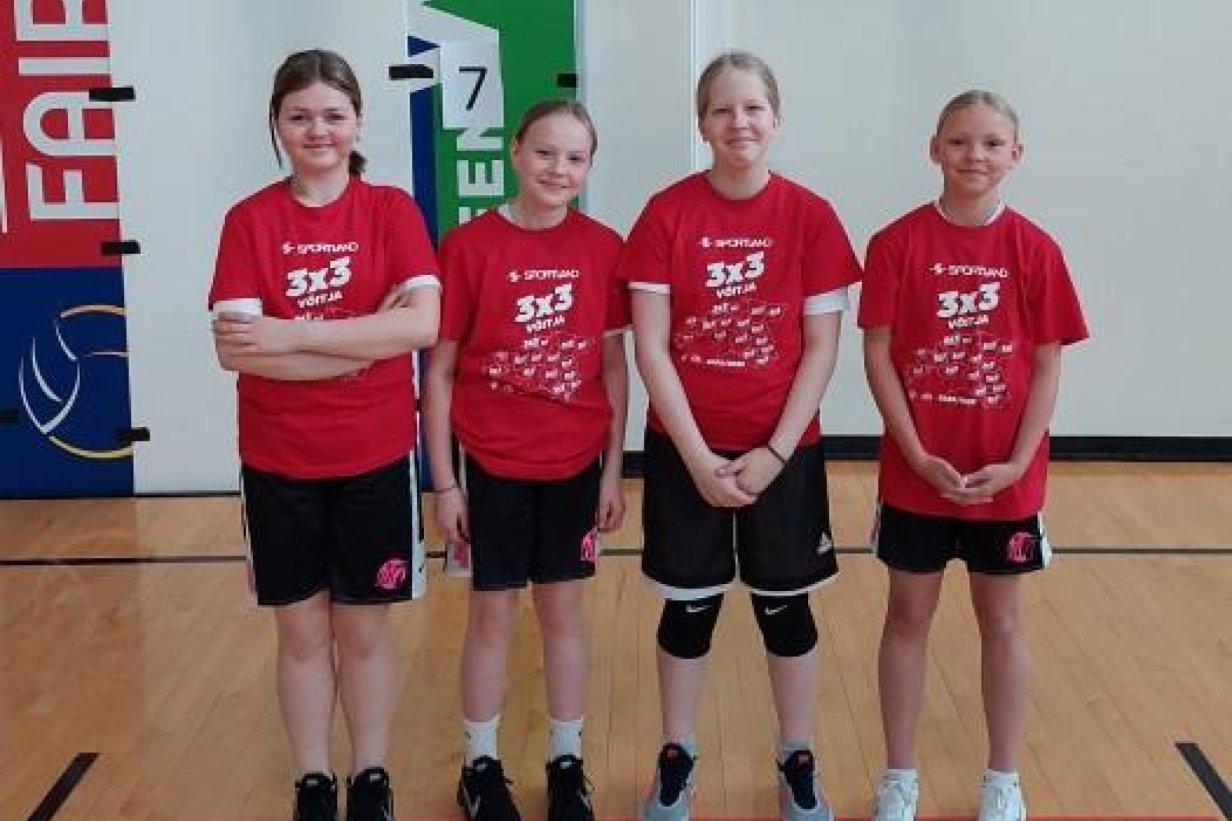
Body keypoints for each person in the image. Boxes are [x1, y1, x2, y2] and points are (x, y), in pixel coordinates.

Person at [617, 51, 862, 821]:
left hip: (783, 452)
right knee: (688, 610)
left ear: (775, 118)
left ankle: (797, 754)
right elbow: (650, 345)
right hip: (684, 449)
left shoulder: (810, 216)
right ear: (702, 123)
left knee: (785, 610)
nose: (739, 122)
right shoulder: (666, 214)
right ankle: (677, 753)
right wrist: (696, 457)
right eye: (722, 109)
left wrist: (776, 451)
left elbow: (821, 347)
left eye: (753, 107)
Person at [208, 48, 440, 821]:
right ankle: (313, 780)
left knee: (363, 632)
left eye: (334, 115)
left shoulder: (391, 211)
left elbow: (422, 325)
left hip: (375, 458)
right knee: (302, 631)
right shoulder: (249, 219)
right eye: (300, 116)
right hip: (278, 462)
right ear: (276, 124)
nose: (318, 131)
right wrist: (362, 342)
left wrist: (294, 333)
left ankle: (370, 776)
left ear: (358, 121)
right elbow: (238, 350)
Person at [859, 90, 1088, 821]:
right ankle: (900, 776)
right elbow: (877, 353)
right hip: (917, 476)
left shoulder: (1036, 249)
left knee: (1003, 621)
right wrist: (916, 451)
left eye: (992, 143)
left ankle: (1003, 778)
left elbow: (1047, 364)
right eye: (959, 141)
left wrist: (1019, 462)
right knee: (907, 615)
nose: (975, 156)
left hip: (1005, 479)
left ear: (1016, 155)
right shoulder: (895, 244)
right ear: (935, 149)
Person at [423, 99, 629, 821]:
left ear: (589, 166)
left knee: (564, 613)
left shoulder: (604, 247)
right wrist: (445, 481)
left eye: (575, 157)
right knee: (492, 616)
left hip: (574, 465)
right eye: (545, 152)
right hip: (491, 466)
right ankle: (479, 767)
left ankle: (567, 762)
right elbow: (439, 371)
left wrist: (612, 470)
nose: (558, 169)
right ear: (515, 151)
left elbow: (613, 367)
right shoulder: (468, 245)